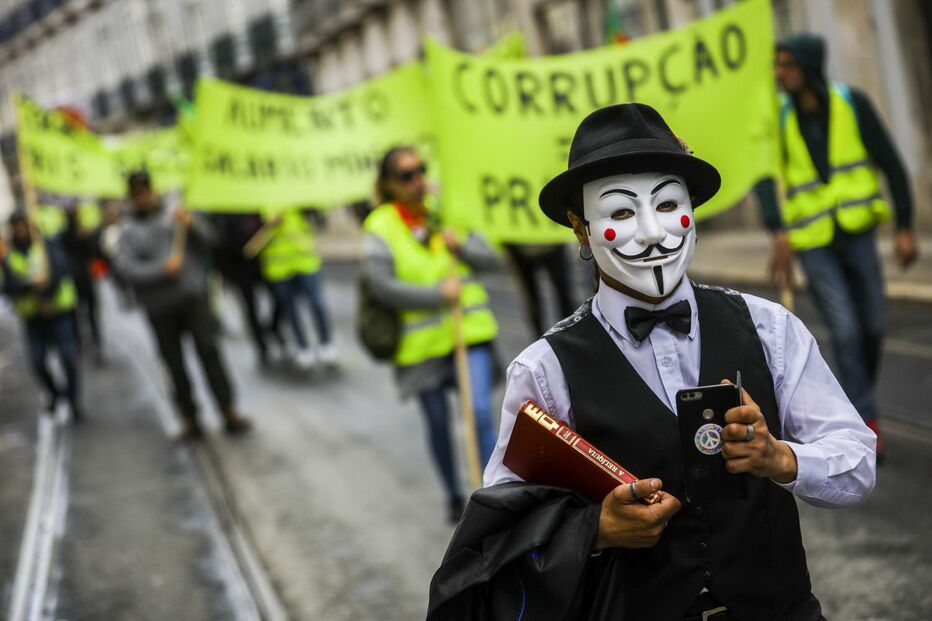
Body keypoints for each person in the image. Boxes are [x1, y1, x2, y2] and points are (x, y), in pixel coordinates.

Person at [428, 104, 876, 620]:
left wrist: (784, 460)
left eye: (667, 206)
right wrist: (596, 528)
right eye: (620, 212)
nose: (651, 233)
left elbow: (858, 463)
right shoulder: (543, 370)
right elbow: (505, 533)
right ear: (580, 228)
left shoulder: (768, 326)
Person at [757, 33, 918, 457]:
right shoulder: (777, 116)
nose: (779, 73)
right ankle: (865, 421)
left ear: (808, 66)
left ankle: (851, 401)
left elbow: (892, 164)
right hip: (813, 243)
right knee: (845, 331)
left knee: (874, 327)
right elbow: (762, 176)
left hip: (858, 232)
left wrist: (904, 227)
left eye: (786, 64)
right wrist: (778, 231)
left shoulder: (853, 104)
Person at [362, 146, 500, 524]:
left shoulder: (447, 210)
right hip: (421, 348)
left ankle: (499, 498)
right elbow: (381, 286)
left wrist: (463, 246)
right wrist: (437, 296)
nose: (418, 180)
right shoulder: (380, 226)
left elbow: (491, 258)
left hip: (468, 333)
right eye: (406, 175)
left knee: (480, 414)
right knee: (437, 421)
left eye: (420, 170)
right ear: (390, 184)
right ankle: (454, 495)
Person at [114, 171, 251, 440]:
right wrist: (161, 270)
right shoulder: (127, 231)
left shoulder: (176, 216)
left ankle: (227, 408)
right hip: (159, 306)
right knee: (173, 363)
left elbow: (211, 243)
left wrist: (192, 224)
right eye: (137, 194)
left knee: (210, 352)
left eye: (146, 191)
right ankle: (189, 417)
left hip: (192, 297)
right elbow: (127, 270)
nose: (143, 198)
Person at [1, 210, 83, 421]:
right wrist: (31, 288)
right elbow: (9, 285)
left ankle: (74, 402)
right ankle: (55, 394)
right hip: (33, 317)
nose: (20, 229)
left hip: (58, 312)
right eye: (16, 226)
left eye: (23, 224)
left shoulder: (46, 244)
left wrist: (46, 295)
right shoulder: (9, 254)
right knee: (38, 362)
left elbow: (59, 269)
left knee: (68, 358)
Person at [255, 206, 335, 369]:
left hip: (306, 261)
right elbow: (252, 239)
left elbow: (320, 221)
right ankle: (302, 347)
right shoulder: (259, 204)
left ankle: (326, 343)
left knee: (317, 304)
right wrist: (268, 225)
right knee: (290, 310)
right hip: (278, 267)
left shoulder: (298, 197)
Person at [502, 242, 577, 337]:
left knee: (563, 294)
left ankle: (571, 333)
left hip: (552, 245)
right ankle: (541, 340)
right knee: (532, 300)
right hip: (520, 248)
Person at [62, 200, 104, 363]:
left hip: (87, 279)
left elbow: (95, 253)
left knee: (92, 314)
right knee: (76, 315)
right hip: (73, 281)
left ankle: (96, 343)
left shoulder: (85, 232)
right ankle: (79, 343)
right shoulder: (64, 235)